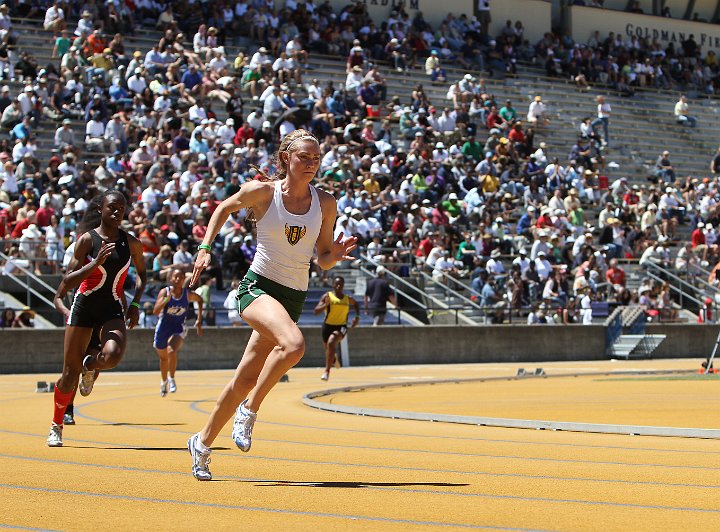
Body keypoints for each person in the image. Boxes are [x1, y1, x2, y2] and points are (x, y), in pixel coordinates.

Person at [186, 129, 357, 480]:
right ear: (285, 160)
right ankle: (249, 411)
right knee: (294, 346)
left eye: (316, 158)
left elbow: (322, 257)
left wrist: (335, 255)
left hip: (293, 296)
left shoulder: (325, 202)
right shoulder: (263, 192)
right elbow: (221, 208)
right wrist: (204, 249)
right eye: (304, 157)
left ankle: (201, 443)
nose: (311, 163)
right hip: (258, 287)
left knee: (245, 377)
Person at [46, 190, 146, 447]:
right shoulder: (86, 241)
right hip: (84, 307)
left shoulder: (132, 243)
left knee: (112, 357)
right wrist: (95, 262)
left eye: (121, 208)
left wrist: (134, 303)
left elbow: (143, 276)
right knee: (69, 374)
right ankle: (57, 424)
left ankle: (90, 365)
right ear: (101, 209)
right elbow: (67, 282)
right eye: (112, 207)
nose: (117, 212)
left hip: (112, 307)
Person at [152, 268, 204, 397]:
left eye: (181, 277)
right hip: (163, 328)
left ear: (183, 280)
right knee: (163, 358)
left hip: (178, 327)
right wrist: (166, 300)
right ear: (170, 279)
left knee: (171, 351)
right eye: (175, 277)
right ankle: (163, 382)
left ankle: (172, 378)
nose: (178, 279)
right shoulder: (165, 292)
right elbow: (155, 311)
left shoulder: (187, 294)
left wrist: (199, 319)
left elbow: (200, 300)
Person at [314, 275, 360, 381]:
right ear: (333, 285)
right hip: (327, 326)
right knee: (328, 349)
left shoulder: (347, 299)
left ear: (344, 285)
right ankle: (334, 359)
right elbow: (316, 311)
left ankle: (326, 372)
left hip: (341, 327)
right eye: (337, 283)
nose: (339, 285)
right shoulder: (328, 296)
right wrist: (325, 304)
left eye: (341, 284)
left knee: (331, 343)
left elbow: (357, 304)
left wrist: (357, 318)